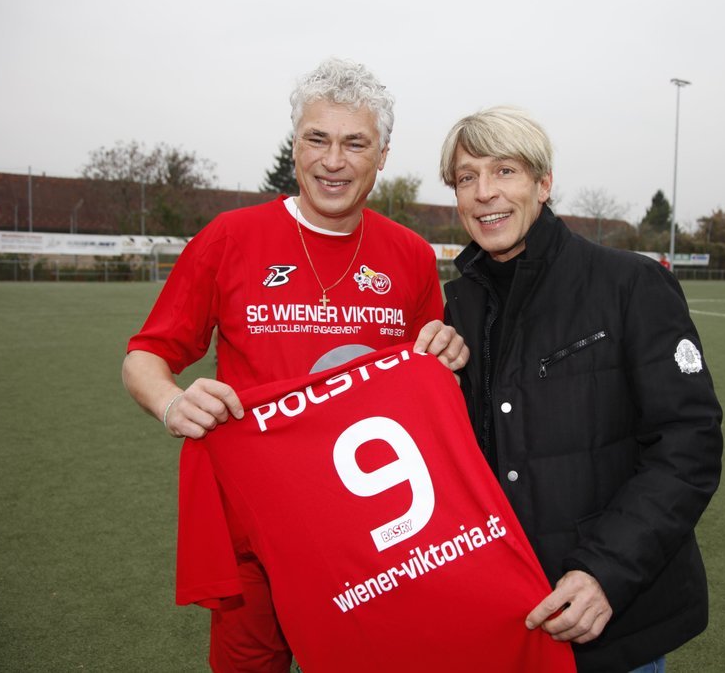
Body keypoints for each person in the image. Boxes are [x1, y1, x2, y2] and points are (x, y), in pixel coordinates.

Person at [122, 58, 467, 672]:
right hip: (255, 527)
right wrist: (172, 402)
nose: (333, 160)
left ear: (382, 156)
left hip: (370, 527)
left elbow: (427, 380)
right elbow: (146, 355)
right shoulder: (229, 237)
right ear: (294, 145)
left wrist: (448, 357)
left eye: (355, 143)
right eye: (317, 138)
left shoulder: (411, 255)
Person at [439, 106, 723, 672]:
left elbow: (688, 445)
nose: (484, 192)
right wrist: (434, 380)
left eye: (505, 171)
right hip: (505, 618)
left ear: (544, 183)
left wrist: (605, 572)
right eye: (467, 177)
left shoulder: (630, 283)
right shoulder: (458, 308)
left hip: (612, 623)